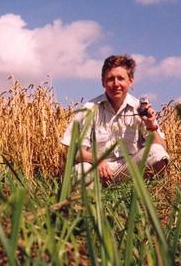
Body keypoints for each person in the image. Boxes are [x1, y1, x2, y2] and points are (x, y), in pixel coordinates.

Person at [60, 54, 170, 185]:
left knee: (157, 153)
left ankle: (144, 190)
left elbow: (162, 149)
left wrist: (151, 126)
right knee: (79, 170)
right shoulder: (89, 109)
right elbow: (76, 153)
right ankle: (91, 200)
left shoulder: (140, 109)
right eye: (110, 79)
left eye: (121, 78)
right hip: (99, 170)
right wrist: (98, 160)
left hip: (129, 170)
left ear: (131, 81)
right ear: (103, 82)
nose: (116, 84)